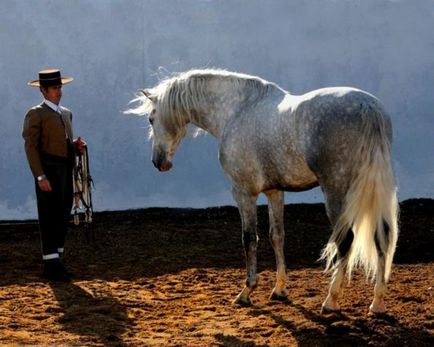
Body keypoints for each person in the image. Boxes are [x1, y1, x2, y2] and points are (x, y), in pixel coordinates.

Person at [23, 69, 85, 281]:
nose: (58, 91)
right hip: (48, 170)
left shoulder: (66, 113)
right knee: (48, 216)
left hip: (65, 170)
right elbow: (31, 147)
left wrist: (76, 148)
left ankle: (56, 261)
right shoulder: (36, 114)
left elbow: (64, 144)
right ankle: (50, 265)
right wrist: (40, 176)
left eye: (59, 87)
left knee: (62, 213)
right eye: (54, 88)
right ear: (43, 90)